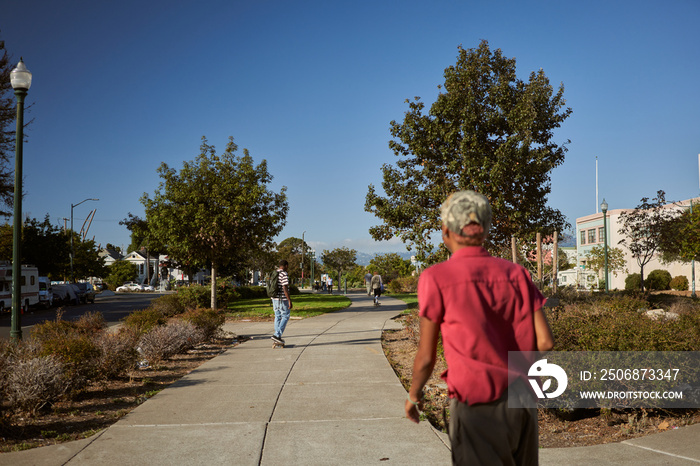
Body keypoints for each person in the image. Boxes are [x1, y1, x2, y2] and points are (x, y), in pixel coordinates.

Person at [404, 190, 554, 466]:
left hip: (477, 402)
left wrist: (414, 395)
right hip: (522, 399)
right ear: (485, 229)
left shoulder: (436, 278)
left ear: (445, 230)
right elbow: (545, 342)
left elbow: (426, 357)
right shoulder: (517, 274)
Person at [271, 259, 293, 345]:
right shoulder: (284, 273)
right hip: (282, 299)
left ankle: (277, 336)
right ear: (286, 266)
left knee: (277, 316)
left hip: (274, 298)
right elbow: (284, 287)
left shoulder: (274, 273)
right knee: (285, 316)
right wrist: (289, 300)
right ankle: (277, 335)